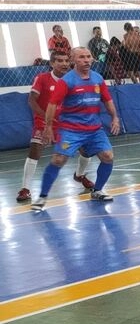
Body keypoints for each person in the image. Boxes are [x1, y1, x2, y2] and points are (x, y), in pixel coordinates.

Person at [32, 46, 121, 208]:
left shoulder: (98, 78)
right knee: (58, 159)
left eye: (88, 56)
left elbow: (107, 100)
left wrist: (114, 117)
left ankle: (97, 191)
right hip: (70, 130)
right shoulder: (67, 81)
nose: (86, 60)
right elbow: (52, 104)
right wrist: (48, 127)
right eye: (81, 57)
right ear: (73, 60)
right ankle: (42, 197)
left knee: (108, 156)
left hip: (94, 130)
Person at [17, 50, 74, 203]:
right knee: (35, 150)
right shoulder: (42, 78)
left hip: (65, 122)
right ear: (52, 63)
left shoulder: (71, 80)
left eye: (66, 60)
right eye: (59, 61)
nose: (64, 64)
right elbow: (31, 100)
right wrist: (46, 118)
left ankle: (80, 175)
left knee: (86, 149)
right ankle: (25, 189)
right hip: (43, 121)